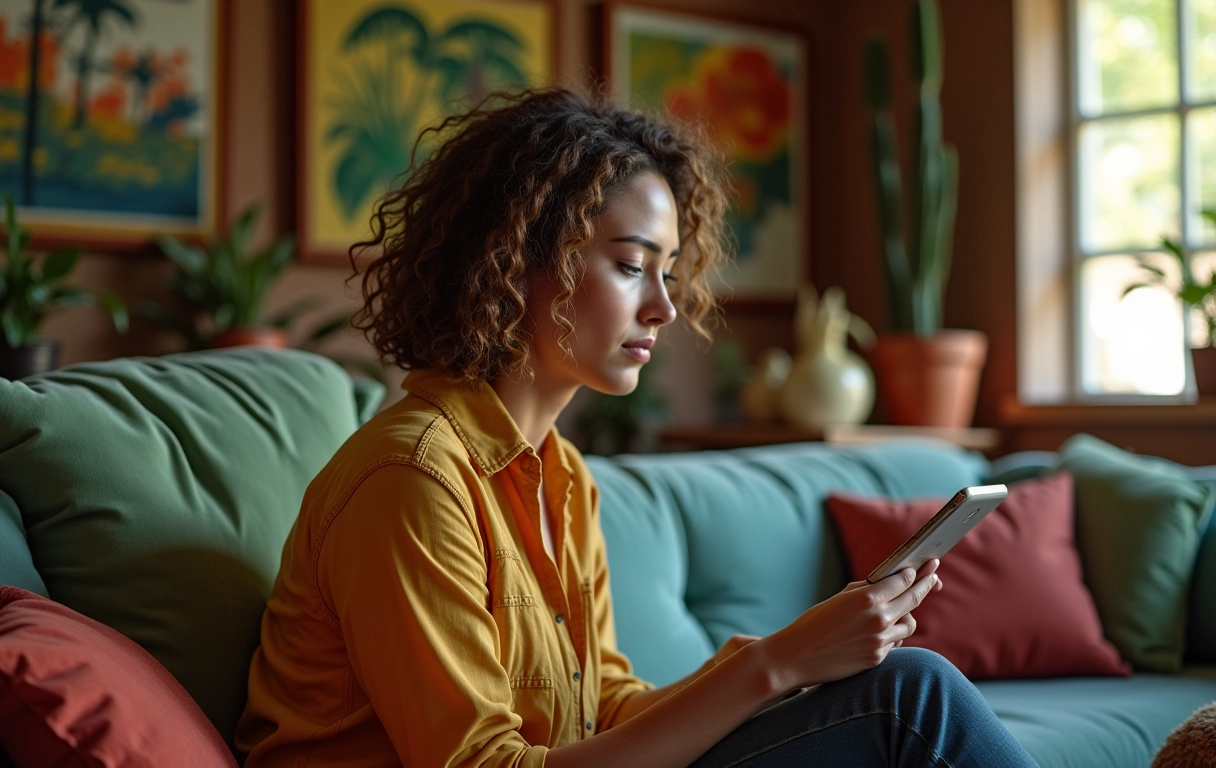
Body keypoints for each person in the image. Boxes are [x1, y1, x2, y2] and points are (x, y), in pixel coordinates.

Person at [236, 88, 1038, 768]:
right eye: (629, 264)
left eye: (669, 271)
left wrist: (797, 659)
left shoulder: (563, 477)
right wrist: (776, 664)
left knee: (897, 689)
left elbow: (606, 708)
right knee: (911, 701)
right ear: (514, 260)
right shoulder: (410, 480)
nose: (664, 307)